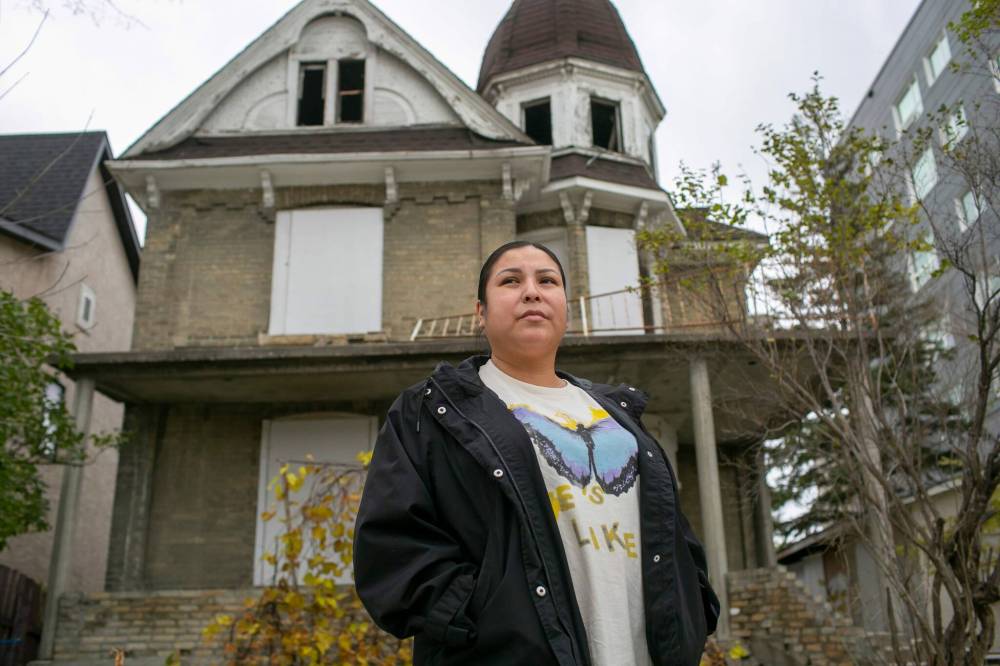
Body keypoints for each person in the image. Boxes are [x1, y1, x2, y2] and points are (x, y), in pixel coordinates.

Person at [354, 241, 719, 666]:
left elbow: (673, 532)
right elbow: (391, 545)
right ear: (480, 312)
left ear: (565, 306)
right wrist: (479, 616)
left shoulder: (620, 415)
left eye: (547, 281)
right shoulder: (432, 411)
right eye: (511, 281)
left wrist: (694, 602)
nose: (532, 291)